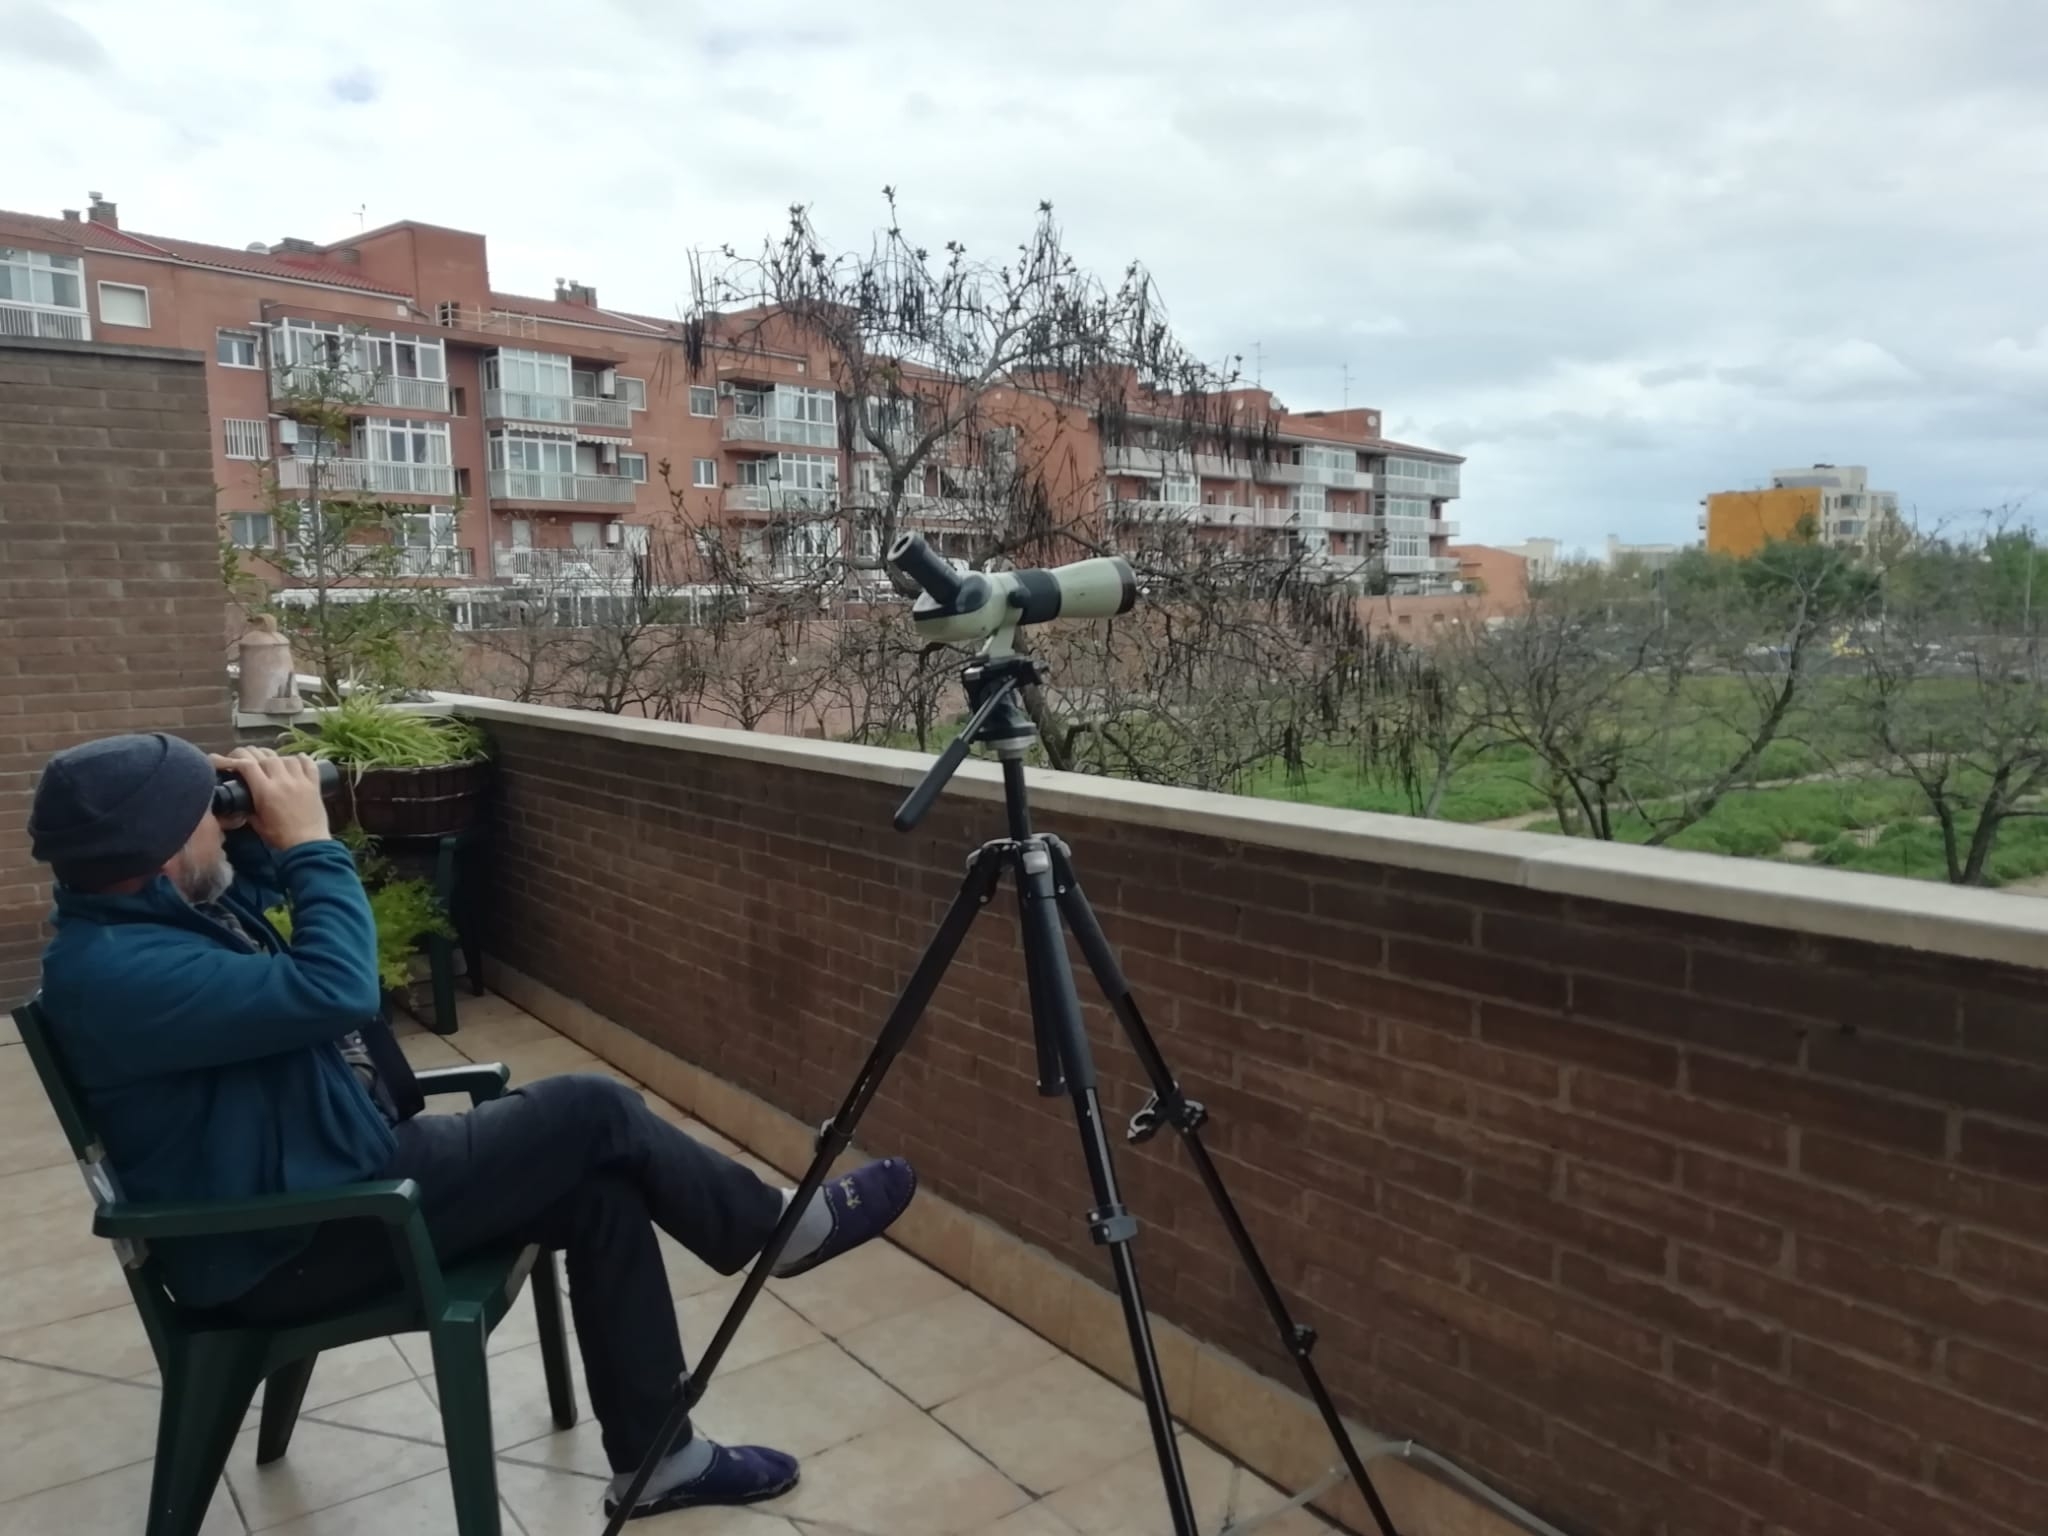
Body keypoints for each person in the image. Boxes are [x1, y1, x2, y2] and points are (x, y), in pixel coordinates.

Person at [27, 732, 918, 1520]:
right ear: (147, 852)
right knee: (592, 1108)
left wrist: (256, 838)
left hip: (317, 1192)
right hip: (299, 1239)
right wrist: (311, 845)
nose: (217, 822)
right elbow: (333, 988)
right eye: (201, 815)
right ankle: (774, 1230)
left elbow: (256, 929)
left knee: (602, 1193)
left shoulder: (148, 920)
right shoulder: (117, 973)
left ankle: (660, 1462)